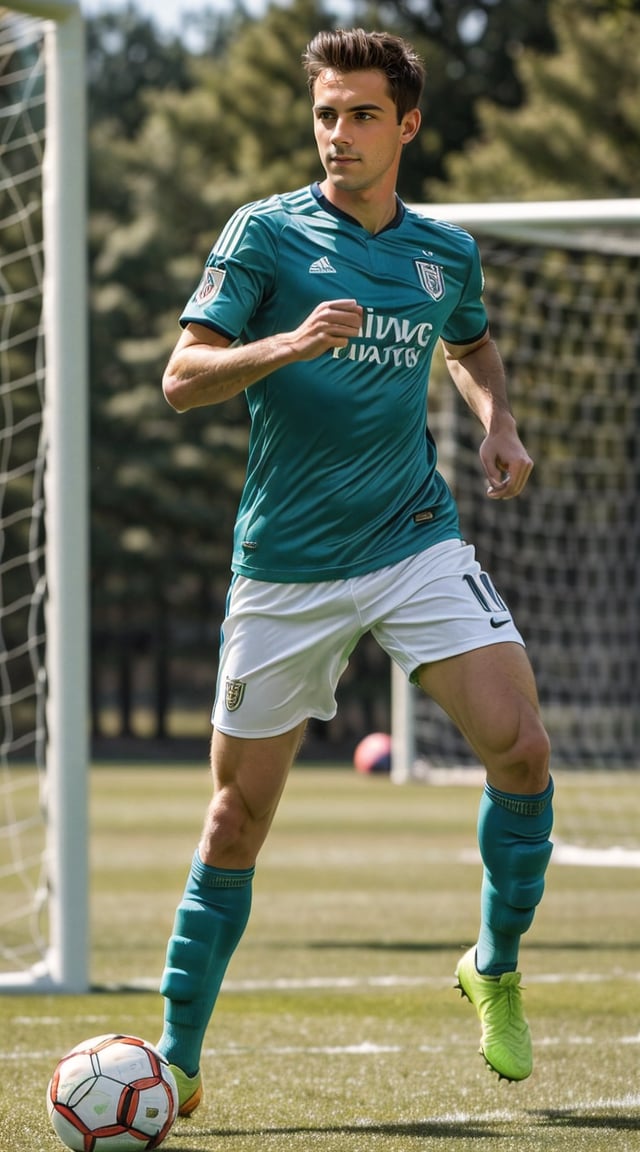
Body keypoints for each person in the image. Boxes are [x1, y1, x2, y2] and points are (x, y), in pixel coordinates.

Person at [156, 27, 554, 1116]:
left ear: (407, 124)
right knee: (236, 820)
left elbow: (467, 342)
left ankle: (494, 967)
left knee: (520, 749)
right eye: (326, 114)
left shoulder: (444, 252)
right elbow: (181, 378)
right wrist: (282, 346)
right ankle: (177, 1062)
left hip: (412, 539)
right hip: (283, 568)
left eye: (362, 114)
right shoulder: (266, 236)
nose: (338, 135)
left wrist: (497, 420)